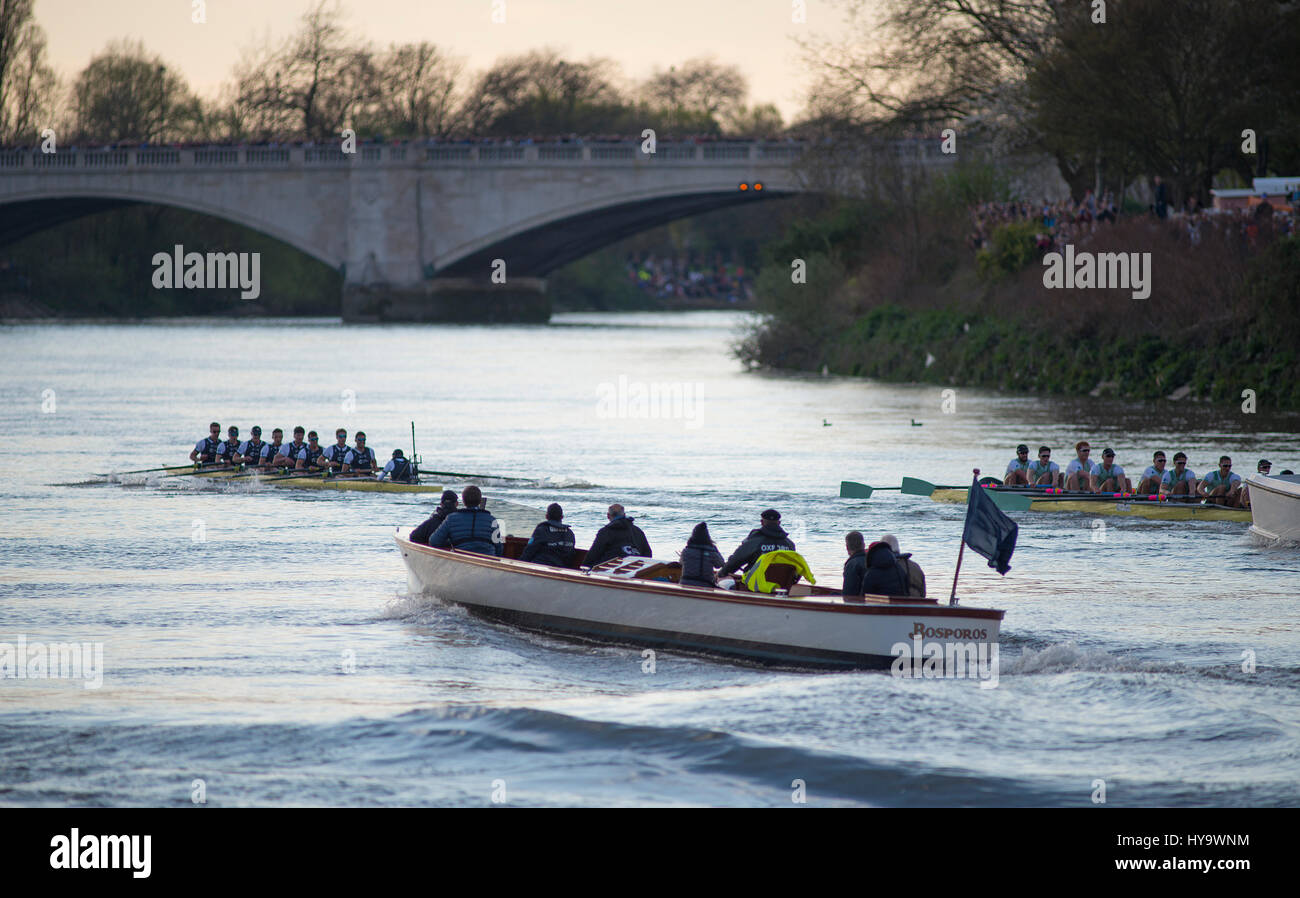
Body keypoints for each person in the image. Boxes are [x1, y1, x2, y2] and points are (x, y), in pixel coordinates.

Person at [717, 509, 795, 580]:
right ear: (779, 523)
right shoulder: (790, 544)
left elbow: (735, 561)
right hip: (782, 584)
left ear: (762, 522)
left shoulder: (755, 541)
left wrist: (721, 574)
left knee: (725, 582)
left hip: (756, 584)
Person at [428, 485, 502, 556]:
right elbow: (499, 548)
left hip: (462, 561)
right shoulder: (493, 520)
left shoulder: (451, 519)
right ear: (480, 501)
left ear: (463, 501)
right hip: (488, 560)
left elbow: (433, 541)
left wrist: (450, 542)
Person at [585, 504, 653, 567]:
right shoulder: (638, 531)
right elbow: (648, 553)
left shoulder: (605, 531)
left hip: (610, 569)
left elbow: (593, 554)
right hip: (636, 568)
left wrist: (584, 566)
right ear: (624, 515)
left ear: (608, 516)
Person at [521, 503, 577, 567]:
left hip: (541, 567)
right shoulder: (570, 533)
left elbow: (529, 551)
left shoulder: (541, 530)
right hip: (563, 569)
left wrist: (519, 564)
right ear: (562, 517)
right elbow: (570, 555)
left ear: (546, 516)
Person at [678, 522, 724, 588]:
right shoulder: (711, 551)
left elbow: (681, 562)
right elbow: (720, 564)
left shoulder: (686, 550)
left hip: (685, 584)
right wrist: (715, 550)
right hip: (706, 585)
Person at [881, 533, 926, 598]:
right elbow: (923, 592)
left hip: (894, 602)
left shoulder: (882, 566)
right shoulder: (915, 566)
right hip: (916, 601)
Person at [841, 531, 868, 601]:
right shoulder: (871, 560)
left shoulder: (852, 565)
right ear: (864, 545)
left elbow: (848, 593)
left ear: (847, 547)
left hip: (859, 604)